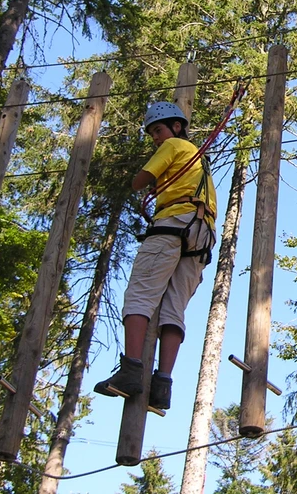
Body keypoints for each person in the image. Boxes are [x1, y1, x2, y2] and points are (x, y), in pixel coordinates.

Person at [94, 102, 217, 412]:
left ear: (176, 126)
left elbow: (140, 181)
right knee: (174, 308)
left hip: (173, 222)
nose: (156, 138)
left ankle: (131, 371)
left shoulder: (174, 146)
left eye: (158, 130)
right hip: (202, 233)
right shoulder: (199, 158)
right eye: (152, 134)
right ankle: (162, 384)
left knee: (140, 294)